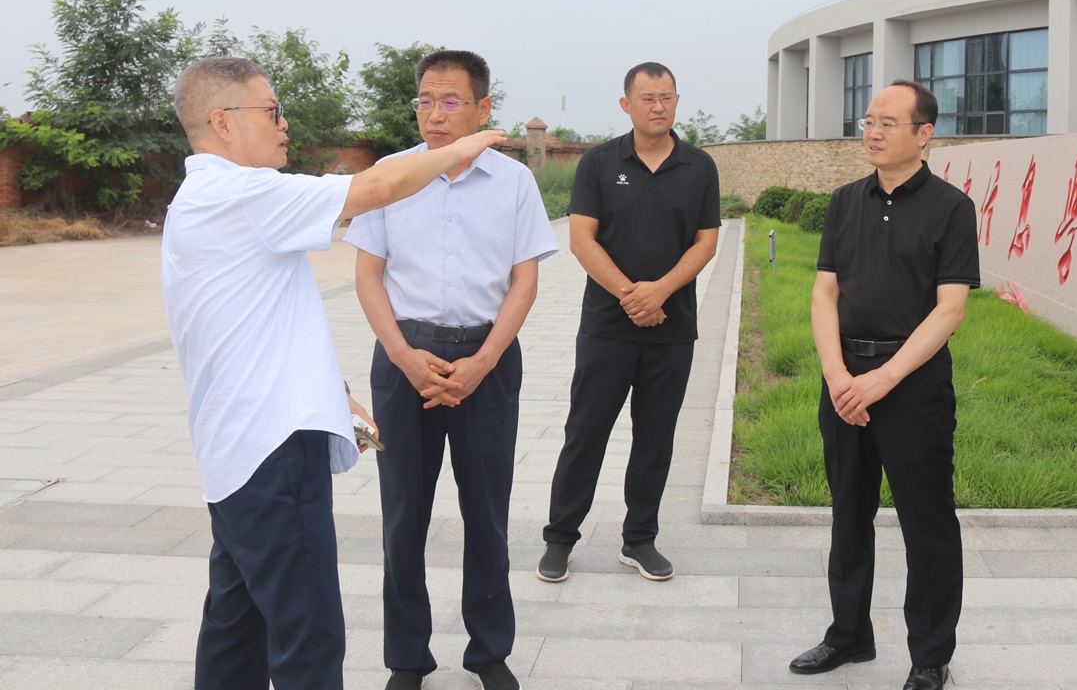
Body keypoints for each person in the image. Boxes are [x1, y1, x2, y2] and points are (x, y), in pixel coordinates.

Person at [161, 56, 506, 690]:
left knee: (237, 626)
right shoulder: (240, 194)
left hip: (236, 452)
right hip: (272, 451)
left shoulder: (207, 198)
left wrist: (336, 392)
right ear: (223, 122)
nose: (284, 124)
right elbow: (374, 187)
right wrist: (464, 146)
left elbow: (260, 320)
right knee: (309, 638)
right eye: (271, 111)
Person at [345, 50, 557, 690]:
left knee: (487, 513)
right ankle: (407, 659)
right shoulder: (388, 176)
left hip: (487, 360)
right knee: (402, 514)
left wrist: (483, 361)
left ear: (482, 108)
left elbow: (524, 281)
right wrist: (404, 358)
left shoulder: (513, 182)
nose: (434, 115)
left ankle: (489, 652)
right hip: (403, 359)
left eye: (450, 101)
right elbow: (368, 276)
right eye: (425, 101)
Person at [787, 80, 979, 690]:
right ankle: (848, 635)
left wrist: (883, 380)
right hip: (845, 380)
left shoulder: (951, 207)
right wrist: (838, 376)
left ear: (924, 134)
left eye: (888, 123)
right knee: (849, 511)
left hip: (913, 385)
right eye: (868, 121)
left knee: (927, 521)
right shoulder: (845, 201)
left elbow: (950, 309)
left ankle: (930, 655)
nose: (872, 131)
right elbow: (824, 292)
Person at [537, 61, 720, 584]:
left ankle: (640, 539)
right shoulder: (599, 163)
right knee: (585, 433)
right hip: (607, 328)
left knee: (655, 438)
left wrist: (660, 292)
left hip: (672, 328)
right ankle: (560, 538)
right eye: (647, 98)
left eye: (666, 97)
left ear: (677, 101)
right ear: (626, 104)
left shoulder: (699, 167)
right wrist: (632, 295)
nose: (657, 107)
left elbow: (706, 241)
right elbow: (581, 240)